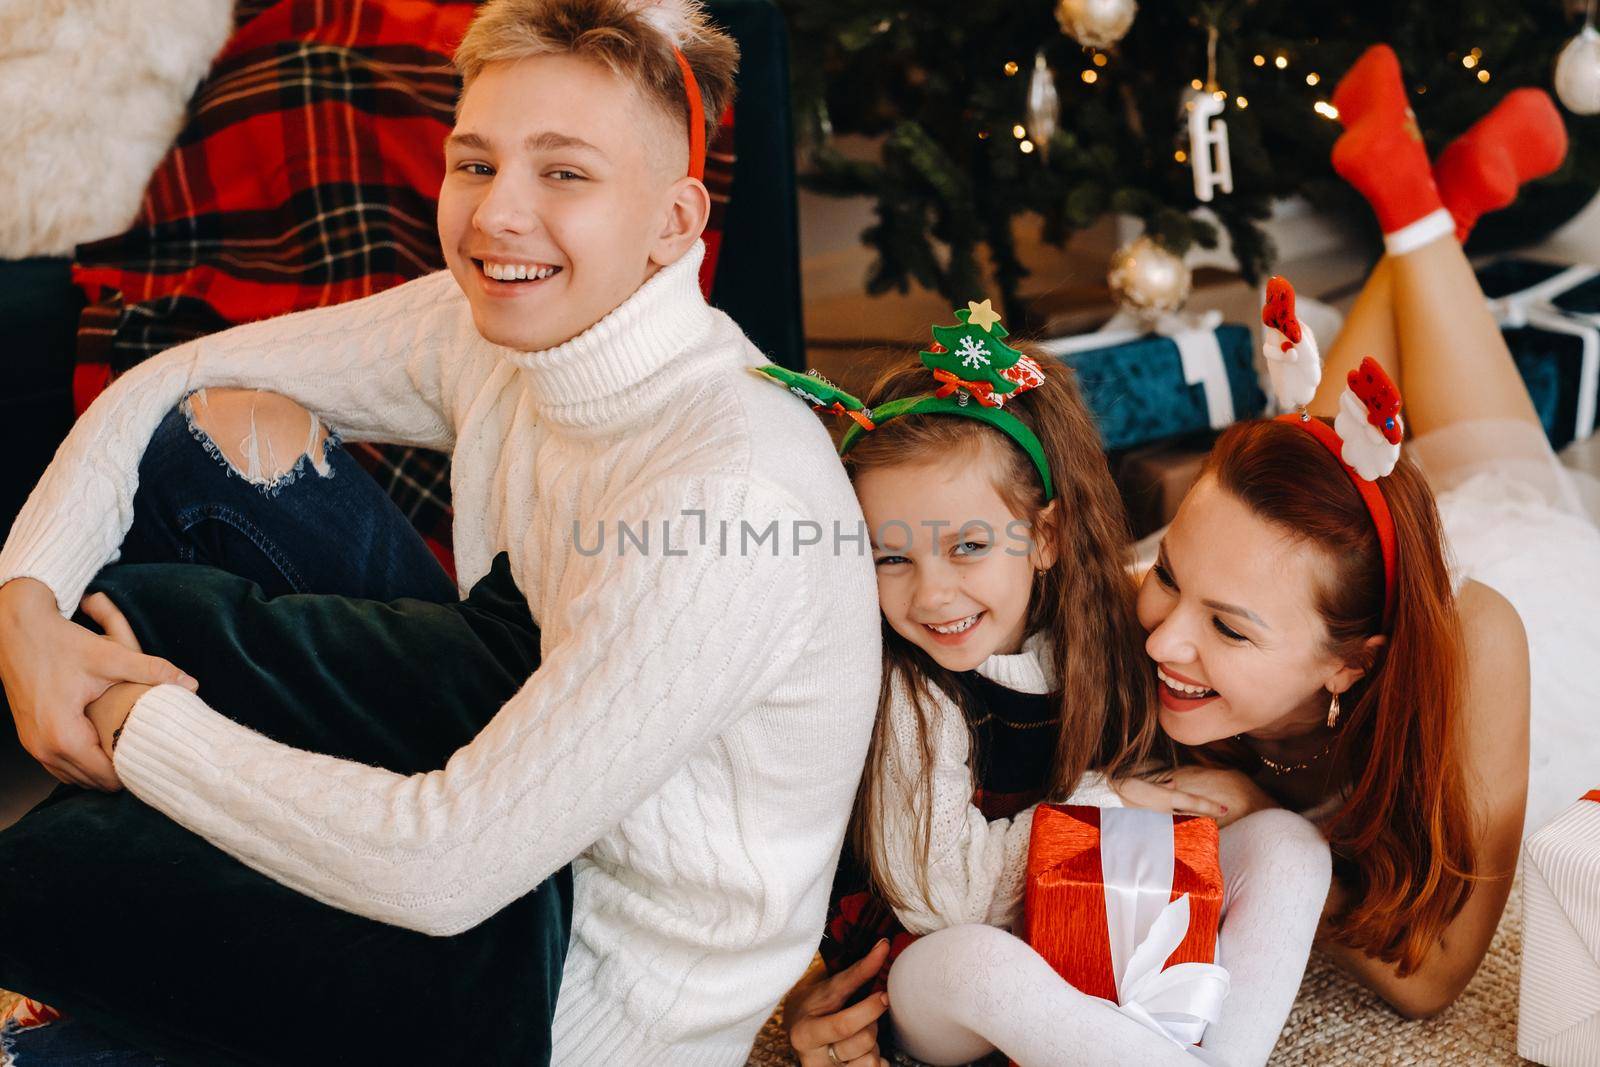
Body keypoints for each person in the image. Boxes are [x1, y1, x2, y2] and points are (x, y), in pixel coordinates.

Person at [0, 0, 881, 1062]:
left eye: (564, 173)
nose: (497, 215)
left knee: (55, 940)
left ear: (674, 221)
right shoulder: (504, 324)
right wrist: (27, 605)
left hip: (570, 1006)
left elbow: (445, 867)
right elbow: (172, 375)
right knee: (202, 440)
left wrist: (133, 720)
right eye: (474, 163)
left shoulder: (730, 490)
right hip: (501, 790)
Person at [1124, 46, 1600, 1019]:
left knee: (1509, 484)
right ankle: (1424, 213)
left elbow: (1432, 976)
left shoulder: (1476, 650)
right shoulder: (1234, 570)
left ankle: (1429, 213)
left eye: (1229, 626)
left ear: (1351, 664)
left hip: (1545, 610)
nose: (1161, 636)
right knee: (1337, 444)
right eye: (1167, 573)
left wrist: (1263, 820)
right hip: (1349, 560)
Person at [779, 326, 1331, 1067]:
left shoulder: (1100, 633)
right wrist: (1115, 800)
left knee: (1291, 850)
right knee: (979, 961)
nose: (933, 592)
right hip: (933, 982)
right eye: (891, 556)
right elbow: (950, 901)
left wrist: (1219, 803)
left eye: (968, 546)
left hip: (1092, 940)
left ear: (1046, 535)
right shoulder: (913, 691)